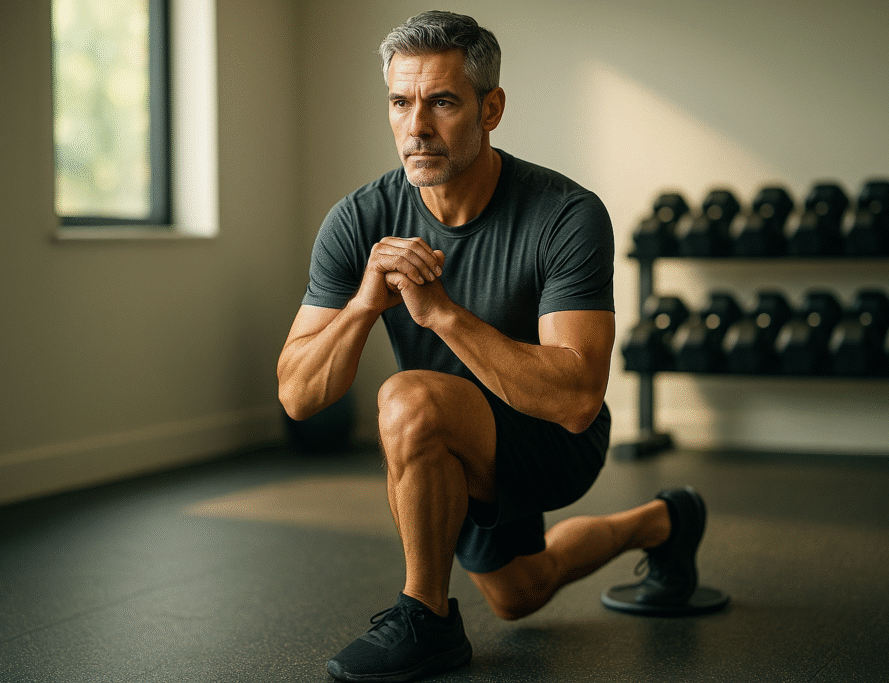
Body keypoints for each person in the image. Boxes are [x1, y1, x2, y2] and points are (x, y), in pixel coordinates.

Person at [277, 11, 709, 682]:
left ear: (491, 107)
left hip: (554, 440)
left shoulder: (565, 213)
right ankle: (663, 521)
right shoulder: (360, 219)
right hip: (446, 440)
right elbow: (300, 397)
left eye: (442, 101)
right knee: (519, 592)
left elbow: (575, 399)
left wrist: (442, 314)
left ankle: (427, 617)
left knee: (407, 395)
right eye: (400, 101)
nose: (416, 125)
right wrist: (364, 304)